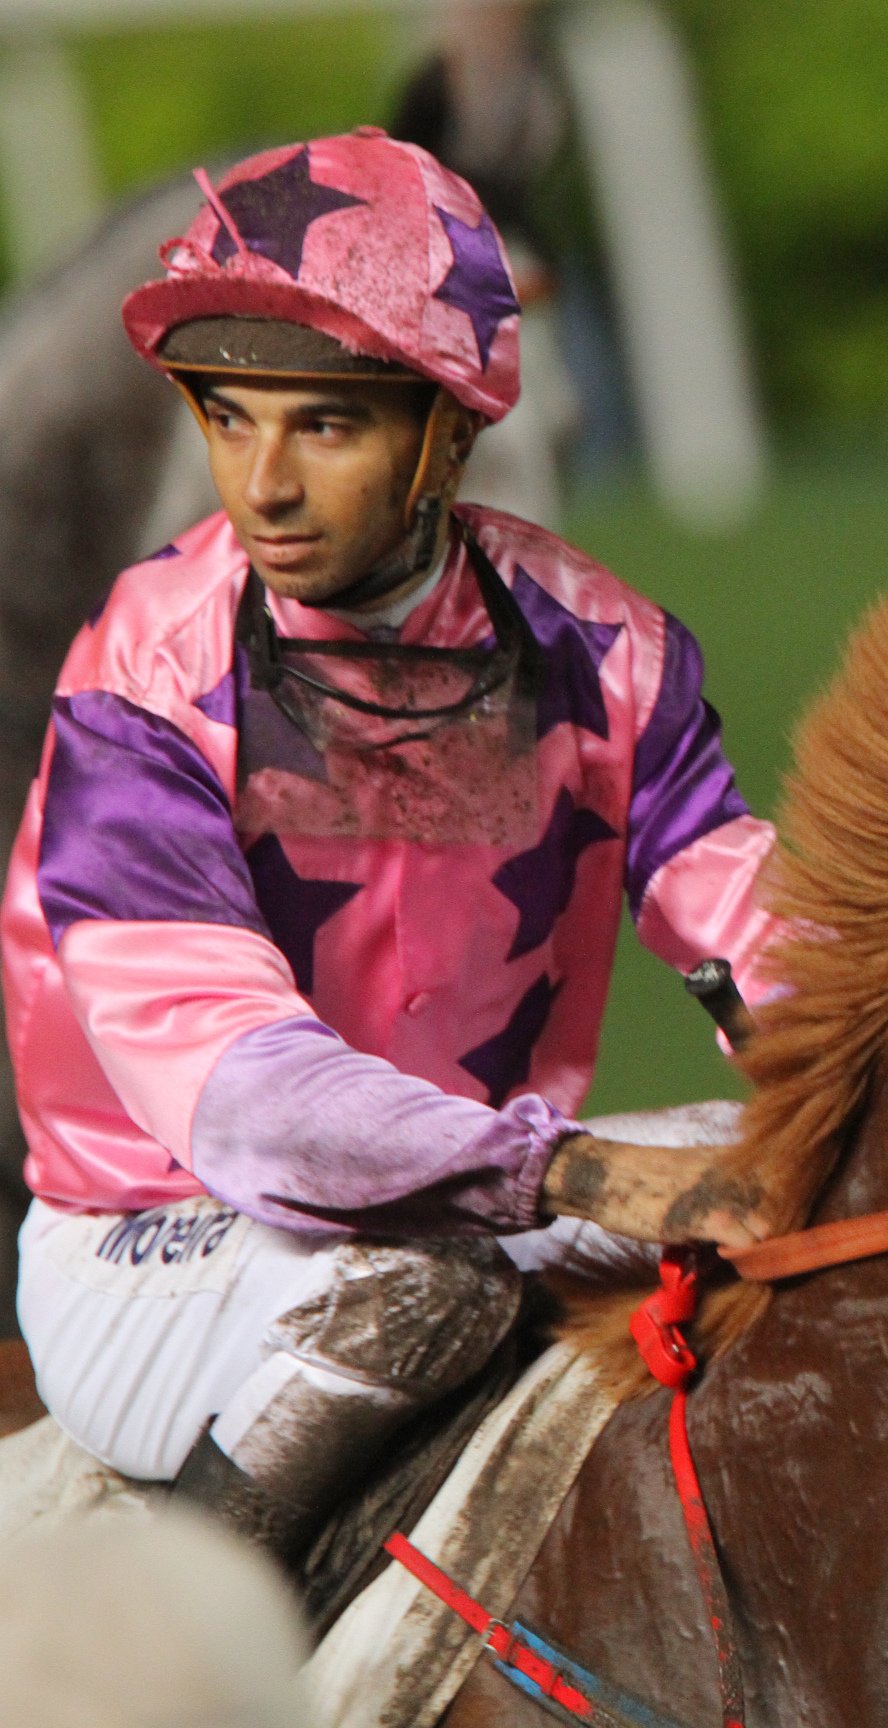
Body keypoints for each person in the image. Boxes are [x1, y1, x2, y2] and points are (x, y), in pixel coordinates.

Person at [2, 129, 780, 1562]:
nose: (264, 486)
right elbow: (237, 1097)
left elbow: (758, 934)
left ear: (450, 430)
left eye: (326, 426)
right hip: (166, 1243)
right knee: (416, 1294)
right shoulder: (145, 674)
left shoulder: (606, 649)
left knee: (848, 1189)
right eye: (227, 419)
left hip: (481, 1195)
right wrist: (567, 1179)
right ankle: (187, 1655)